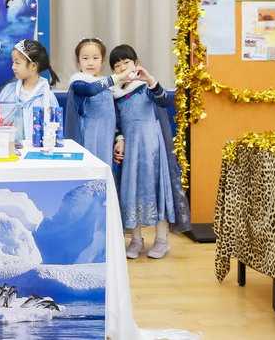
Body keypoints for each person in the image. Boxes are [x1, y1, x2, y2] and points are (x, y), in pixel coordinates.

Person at [109, 44, 191, 260]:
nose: (122, 67)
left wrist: (151, 80)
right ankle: (136, 240)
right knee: (131, 191)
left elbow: (164, 101)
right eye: (117, 65)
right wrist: (120, 139)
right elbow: (116, 123)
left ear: (136, 63)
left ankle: (162, 240)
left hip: (152, 148)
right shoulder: (115, 93)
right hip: (131, 149)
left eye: (126, 62)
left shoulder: (147, 86)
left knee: (156, 190)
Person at [64, 38, 134, 168]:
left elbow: (113, 116)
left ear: (103, 61)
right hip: (88, 138)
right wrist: (118, 77)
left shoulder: (109, 87)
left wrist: (119, 138)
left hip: (106, 140)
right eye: (85, 58)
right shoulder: (78, 82)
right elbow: (90, 89)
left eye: (95, 58)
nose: (90, 63)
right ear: (77, 62)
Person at [0, 39, 60, 141]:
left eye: (17, 63)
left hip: (37, 148)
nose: (13, 67)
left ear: (33, 66)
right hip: (10, 146)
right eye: (13, 62)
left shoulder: (47, 96)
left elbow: (55, 129)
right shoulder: (8, 91)